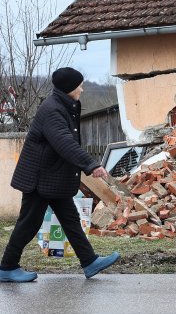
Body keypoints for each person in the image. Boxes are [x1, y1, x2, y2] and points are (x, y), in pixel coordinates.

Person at [0, 67, 120, 282]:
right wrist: (91, 165)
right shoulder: (52, 110)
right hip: (40, 178)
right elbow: (64, 142)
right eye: (79, 86)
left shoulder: (64, 106)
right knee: (29, 222)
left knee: (70, 219)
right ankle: (7, 267)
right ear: (69, 88)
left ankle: (89, 261)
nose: (82, 89)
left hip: (52, 178)